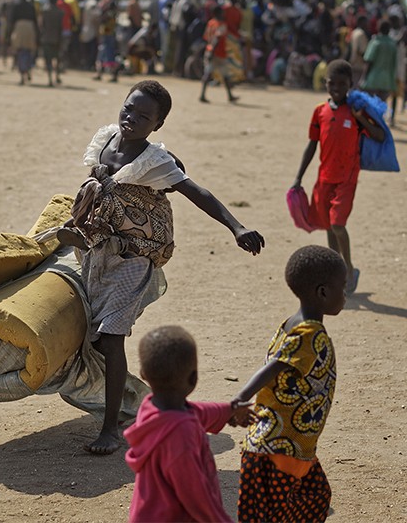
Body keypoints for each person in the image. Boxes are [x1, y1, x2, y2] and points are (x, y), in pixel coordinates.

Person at [57, 79, 264, 454]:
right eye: (128, 108)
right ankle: (138, 402)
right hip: (100, 249)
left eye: (143, 116)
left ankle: (109, 430)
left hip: (136, 256)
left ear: (158, 125)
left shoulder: (155, 161)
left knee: (112, 334)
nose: (131, 118)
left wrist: (237, 226)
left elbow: (196, 192)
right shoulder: (104, 140)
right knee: (97, 338)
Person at [233, 245, 347, 522]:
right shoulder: (309, 332)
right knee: (302, 507)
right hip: (279, 449)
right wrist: (241, 397)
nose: (345, 296)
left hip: (285, 446)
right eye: (342, 289)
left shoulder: (292, 325)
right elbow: (274, 366)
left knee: (315, 500)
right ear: (322, 292)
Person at [124, 325, 254, 522]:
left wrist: (228, 411)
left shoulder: (152, 408)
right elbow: (195, 496)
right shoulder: (180, 434)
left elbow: (196, 412)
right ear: (193, 378)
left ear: (143, 374)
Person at [292, 59, 385, 294]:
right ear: (326, 83)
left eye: (342, 84)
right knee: (328, 227)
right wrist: (299, 177)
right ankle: (338, 271)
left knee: (337, 224)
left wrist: (361, 118)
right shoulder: (320, 112)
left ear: (350, 85)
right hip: (324, 177)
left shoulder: (355, 113)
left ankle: (349, 268)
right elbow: (312, 145)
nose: (336, 88)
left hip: (347, 178)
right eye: (332, 83)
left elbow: (380, 136)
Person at [199, 5, 239, 103]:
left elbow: (206, 38)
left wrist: (209, 51)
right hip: (219, 53)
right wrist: (213, 51)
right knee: (224, 75)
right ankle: (229, 96)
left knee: (208, 74)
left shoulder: (210, 23)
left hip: (210, 51)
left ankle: (203, 95)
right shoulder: (221, 24)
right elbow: (217, 38)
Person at [360, 19, 399, 103]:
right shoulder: (392, 44)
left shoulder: (375, 42)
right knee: (381, 105)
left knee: (370, 105)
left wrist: (363, 78)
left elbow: (368, 61)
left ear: (378, 28)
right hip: (387, 80)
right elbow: (394, 63)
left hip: (373, 79)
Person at [9, 0, 39, 85]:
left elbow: (12, 20)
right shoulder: (31, 6)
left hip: (19, 28)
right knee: (29, 51)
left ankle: (22, 75)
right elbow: (35, 21)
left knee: (20, 51)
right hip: (30, 29)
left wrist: (9, 33)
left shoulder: (17, 6)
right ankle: (28, 70)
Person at [95, 0, 120, 82]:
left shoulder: (108, 4)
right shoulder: (112, 4)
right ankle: (101, 73)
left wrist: (103, 17)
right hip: (108, 32)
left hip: (107, 33)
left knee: (106, 53)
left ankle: (106, 74)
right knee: (106, 53)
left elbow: (103, 17)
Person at [40, 0, 64, 86]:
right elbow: (61, 27)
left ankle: (50, 79)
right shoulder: (60, 12)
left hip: (46, 38)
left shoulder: (45, 12)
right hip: (57, 38)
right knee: (57, 59)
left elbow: (42, 26)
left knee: (48, 60)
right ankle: (57, 76)